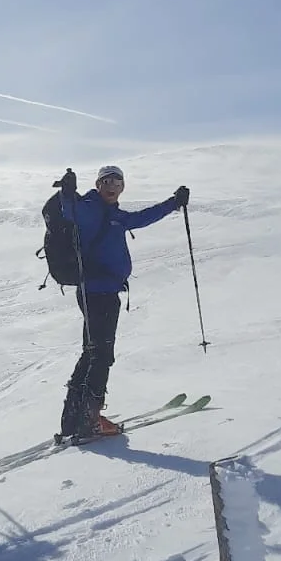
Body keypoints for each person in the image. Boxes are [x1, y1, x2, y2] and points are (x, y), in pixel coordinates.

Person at [55, 165, 189, 442]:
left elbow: (142, 218)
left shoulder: (113, 214)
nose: (112, 186)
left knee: (91, 353)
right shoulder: (91, 207)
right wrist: (68, 193)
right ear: (98, 184)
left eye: (117, 181)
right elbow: (70, 211)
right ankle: (89, 421)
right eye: (107, 181)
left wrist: (173, 203)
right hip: (97, 293)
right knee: (101, 355)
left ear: (123, 187)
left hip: (103, 291)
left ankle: (73, 418)